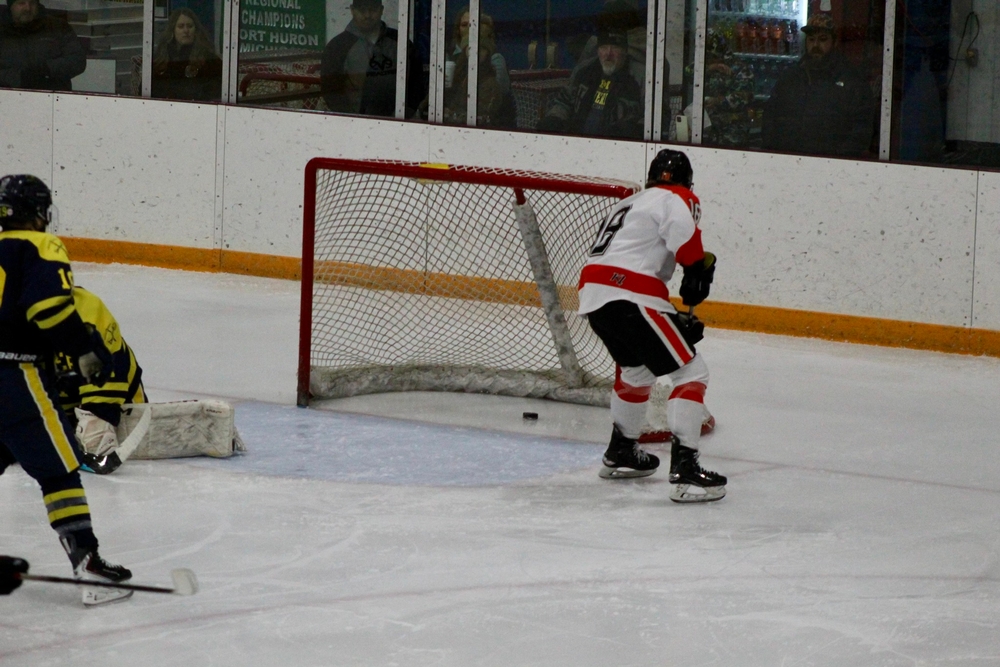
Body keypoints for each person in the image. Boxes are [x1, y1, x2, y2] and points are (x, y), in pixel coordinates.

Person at [0, 174, 133, 605]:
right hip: (16, 378)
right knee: (59, 471)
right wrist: (83, 351)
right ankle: (88, 565)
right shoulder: (40, 245)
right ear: (38, 212)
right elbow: (49, 308)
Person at [577, 150, 727, 503]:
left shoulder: (629, 202)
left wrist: (670, 313)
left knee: (636, 371)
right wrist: (697, 270)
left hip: (593, 293)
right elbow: (688, 247)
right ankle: (686, 468)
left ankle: (622, 451)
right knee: (691, 373)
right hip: (631, 294)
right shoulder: (678, 197)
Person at [54, 286, 147, 475]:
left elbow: (107, 369)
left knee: (96, 434)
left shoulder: (85, 309)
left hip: (116, 400)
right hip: (51, 404)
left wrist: (97, 419)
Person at [761, 13, 875, 157]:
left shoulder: (851, 79)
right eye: (811, 39)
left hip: (833, 163)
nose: (815, 45)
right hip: (790, 160)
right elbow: (771, 116)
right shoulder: (792, 76)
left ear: (834, 42)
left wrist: (839, 159)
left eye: (822, 39)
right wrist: (775, 152)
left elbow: (861, 128)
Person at [320, 0, 425, 118]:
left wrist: (403, 115)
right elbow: (330, 90)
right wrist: (351, 119)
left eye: (373, 9)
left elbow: (417, 83)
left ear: (381, 10)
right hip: (353, 122)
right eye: (362, 10)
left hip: (398, 121)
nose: (367, 15)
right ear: (352, 10)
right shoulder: (337, 47)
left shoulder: (401, 42)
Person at [536, 26, 643, 139]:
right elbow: (564, 102)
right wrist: (555, 118)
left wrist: (634, 129)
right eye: (604, 47)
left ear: (625, 51)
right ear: (598, 50)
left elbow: (653, 116)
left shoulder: (641, 76)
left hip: (618, 146)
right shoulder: (583, 71)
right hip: (577, 143)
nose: (608, 53)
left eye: (615, 47)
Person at [427, 12, 516, 129]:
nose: (475, 53)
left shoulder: (491, 79)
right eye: (470, 48)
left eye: (481, 49)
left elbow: (484, 115)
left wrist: (450, 114)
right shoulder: (460, 71)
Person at [0, 0, 85, 91]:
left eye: (32, 3)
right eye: (21, 3)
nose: (28, 8)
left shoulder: (58, 27)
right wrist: (20, 77)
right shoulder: (2, 31)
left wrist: (46, 69)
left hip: (55, 95)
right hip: (9, 96)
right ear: (11, 6)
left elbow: (77, 60)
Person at [151, 8, 223, 102]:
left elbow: (216, 91)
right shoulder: (161, 58)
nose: (186, 30)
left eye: (189, 26)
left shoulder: (209, 59)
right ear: (173, 30)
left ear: (196, 30)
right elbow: (147, 88)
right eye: (181, 26)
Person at [450, 8, 509, 96]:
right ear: (458, 29)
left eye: (472, 24)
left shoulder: (495, 59)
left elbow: (500, 92)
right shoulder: (449, 57)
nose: (469, 28)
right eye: (464, 25)